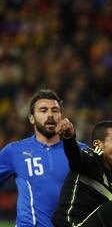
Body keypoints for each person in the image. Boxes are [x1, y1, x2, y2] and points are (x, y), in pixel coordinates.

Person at [0, 89, 88, 227]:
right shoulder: (14, 151)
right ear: (31, 118)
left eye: (55, 110)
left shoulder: (81, 151)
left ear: (62, 116)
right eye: (43, 110)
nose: (50, 115)